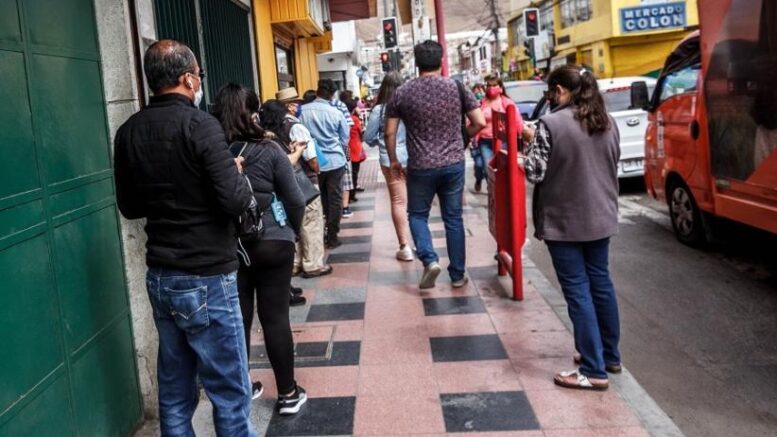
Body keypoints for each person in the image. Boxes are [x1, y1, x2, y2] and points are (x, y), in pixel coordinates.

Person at [114, 40, 257, 436]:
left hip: (161, 276)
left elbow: (129, 206)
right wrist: (235, 172)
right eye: (199, 77)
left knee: (175, 394)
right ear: (187, 78)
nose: (199, 84)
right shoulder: (201, 126)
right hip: (208, 274)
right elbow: (234, 199)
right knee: (229, 391)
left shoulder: (129, 132)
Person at [521, 65, 622, 391]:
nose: (549, 98)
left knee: (578, 290)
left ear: (560, 90)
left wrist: (529, 140)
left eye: (551, 91)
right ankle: (609, 356)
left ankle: (593, 370)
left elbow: (535, 173)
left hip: (565, 221)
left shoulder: (549, 125)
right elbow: (612, 160)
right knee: (601, 285)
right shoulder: (606, 120)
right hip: (601, 216)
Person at [213, 83, 309, 414]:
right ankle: (288, 394)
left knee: (238, 319)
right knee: (275, 318)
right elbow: (296, 199)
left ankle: (243, 387)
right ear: (253, 113)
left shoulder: (212, 153)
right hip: (274, 241)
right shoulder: (268, 151)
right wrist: (291, 232)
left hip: (232, 246)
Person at [386, 40, 486, 289]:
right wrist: (461, 140)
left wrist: (394, 160)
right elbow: (480, 122)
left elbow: (389, 132)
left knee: (417, 215)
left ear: (417, 63)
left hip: (420, 166)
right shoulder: (456, 87)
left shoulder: (403, 92)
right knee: (453, 218)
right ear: (441, 61)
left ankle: (430, 259)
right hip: (453, 164)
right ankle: (457, 275)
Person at [272, 89, 333, 279]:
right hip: (304, 181)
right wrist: (317, 170)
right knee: (312, 222)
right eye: (295, 103)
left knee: (295, 223)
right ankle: (313, 264)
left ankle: (296, 263)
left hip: (285, 183)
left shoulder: (272, 127)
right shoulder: (296, 126)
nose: (298, 106)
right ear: (289, 105)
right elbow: (311, 157)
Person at [364, 72, 413, 261]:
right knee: (416, 200)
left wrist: (381, 144)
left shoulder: (380, 110)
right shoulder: (410, 106)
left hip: (390, 159)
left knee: (398, 201)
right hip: (413, 157)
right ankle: (421, 242)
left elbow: (368, 138)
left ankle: (405, 246)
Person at [299, 79, 350, 248]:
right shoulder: (336, 113)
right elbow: (344, 139)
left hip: (311, 162)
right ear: (332, 94)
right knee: (335, 199)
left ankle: (318, 234)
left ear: (318, 90)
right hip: (335, 162)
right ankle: (333, 236)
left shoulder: (302, 112)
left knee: (316, 199)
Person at [472, 74, 521, 193]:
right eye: (489, 85)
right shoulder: (481, 103)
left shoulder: (507, 103)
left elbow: (517, 120)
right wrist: (472, 137)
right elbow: (474, 120)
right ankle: (492, 189)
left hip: (503, 141)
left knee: (502, 168)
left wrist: (522, 134)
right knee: (486, 167)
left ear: (500, 87)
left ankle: (498, 191)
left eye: (494, 85)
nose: (491, 88)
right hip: (485, 141)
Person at [346, 98, 366, 203]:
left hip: (347, 147)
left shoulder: (344, 117)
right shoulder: (355, 119)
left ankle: (348, 194)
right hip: (355, 148)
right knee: (354, 172)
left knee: (349, 172)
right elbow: (361, 132)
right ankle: (352, 195)